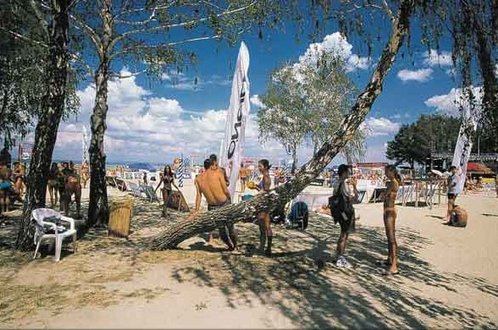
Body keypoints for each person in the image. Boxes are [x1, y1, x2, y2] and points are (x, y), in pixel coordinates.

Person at [193, 158, 237, 250]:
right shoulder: (218, 173)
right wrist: (229, 199)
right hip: (224, 202)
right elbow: (225, 190)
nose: (216, 167)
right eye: (215, 165)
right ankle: (235, 246)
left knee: (221, 230)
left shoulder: (198, 179)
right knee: (230, 227)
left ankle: (230, 246)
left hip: (212, 207)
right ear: (212, 165)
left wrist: (196, 210)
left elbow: (198, 196)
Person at [331, 164, 358, 268]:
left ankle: (337, 255)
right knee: (344, 234)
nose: (349, 174)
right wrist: (355, 186)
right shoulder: (344, 184)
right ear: (344, 172)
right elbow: (353, 199)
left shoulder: (336, 182)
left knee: (342, 233)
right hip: (345, 212)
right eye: (348, 172)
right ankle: (341, 258)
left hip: (339, 212)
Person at [382, 165, 401, 275]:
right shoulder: (391, 182)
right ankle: (389, 259)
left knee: (391, 237)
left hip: (390, 211)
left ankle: (394, 264)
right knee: (388, 236)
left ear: (391, 172)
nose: (385, 174)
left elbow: (385, 196)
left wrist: (385, 191)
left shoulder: (393, 182)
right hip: (387, 210)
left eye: (386, 172)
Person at [253, 159, 273, 256]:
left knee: (263, 227)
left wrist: (256, 190)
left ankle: (263, 248)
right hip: (266, 204)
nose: (259, 168)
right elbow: (264, 190)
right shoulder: (266, 177)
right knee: (266, 226)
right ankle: (267, 248)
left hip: (263, 204)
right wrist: (255, 187)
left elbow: (265, 192)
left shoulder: (266, 177)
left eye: (260, 166)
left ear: (265, 167)